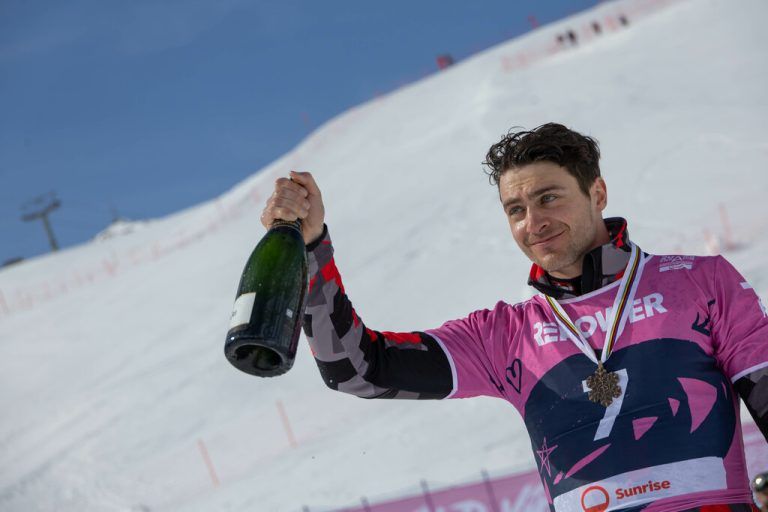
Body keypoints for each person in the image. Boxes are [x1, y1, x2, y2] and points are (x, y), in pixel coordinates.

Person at [260, 123, 768, 512]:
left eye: (548, 197)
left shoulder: (699, 282)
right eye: (515, 209)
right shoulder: (504, 335)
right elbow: (358, 369)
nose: (533, 222)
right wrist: (310, 248)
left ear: (598, 193)